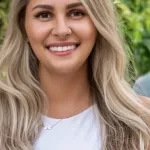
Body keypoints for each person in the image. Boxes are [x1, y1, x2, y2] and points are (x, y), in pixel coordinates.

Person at [0, 0, 150, 150]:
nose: (61, 30)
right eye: (44, 15)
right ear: (23, 26)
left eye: (76, 13)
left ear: (98, 23)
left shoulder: (142, 122)